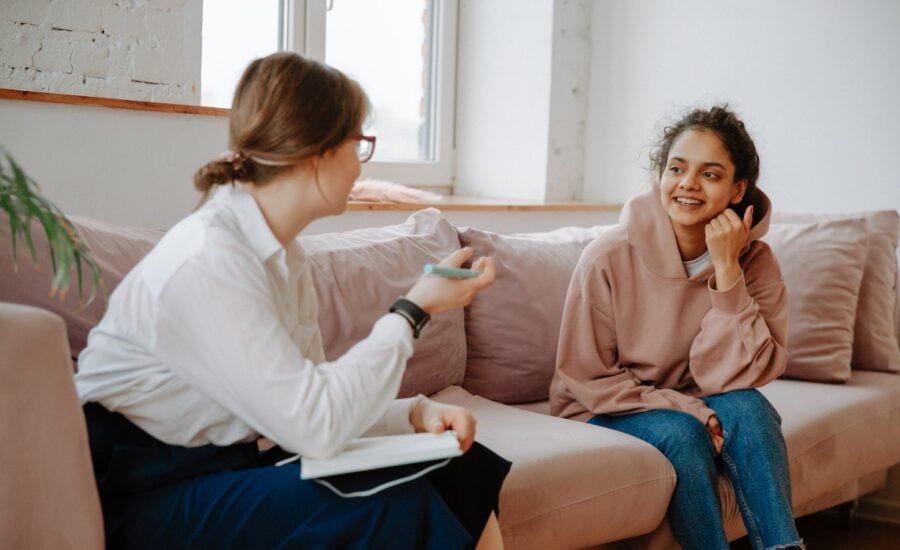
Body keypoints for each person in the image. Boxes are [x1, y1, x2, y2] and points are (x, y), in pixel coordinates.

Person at [75, 52, 510, 549]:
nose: (360, 162)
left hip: (221, 465)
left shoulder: (283, 256)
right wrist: (413, 310)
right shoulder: (210, 259)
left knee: (456, 462)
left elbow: (307, 399)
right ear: (316, 152)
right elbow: (315, 427)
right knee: (388, 505)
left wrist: (411, 415)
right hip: (143, 490)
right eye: (358, 143)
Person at [550, 106, 804, 550]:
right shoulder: (607, 257)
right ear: (660, 176)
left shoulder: (756, 262)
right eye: (676, 168)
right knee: (683, 434)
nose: (688, 183)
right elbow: (586, 376)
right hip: (604, 408)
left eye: (710, 174)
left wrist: (727, 272)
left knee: (751, 408)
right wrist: (689, 410)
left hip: (694, 398)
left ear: (736, 188)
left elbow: (739, 378)